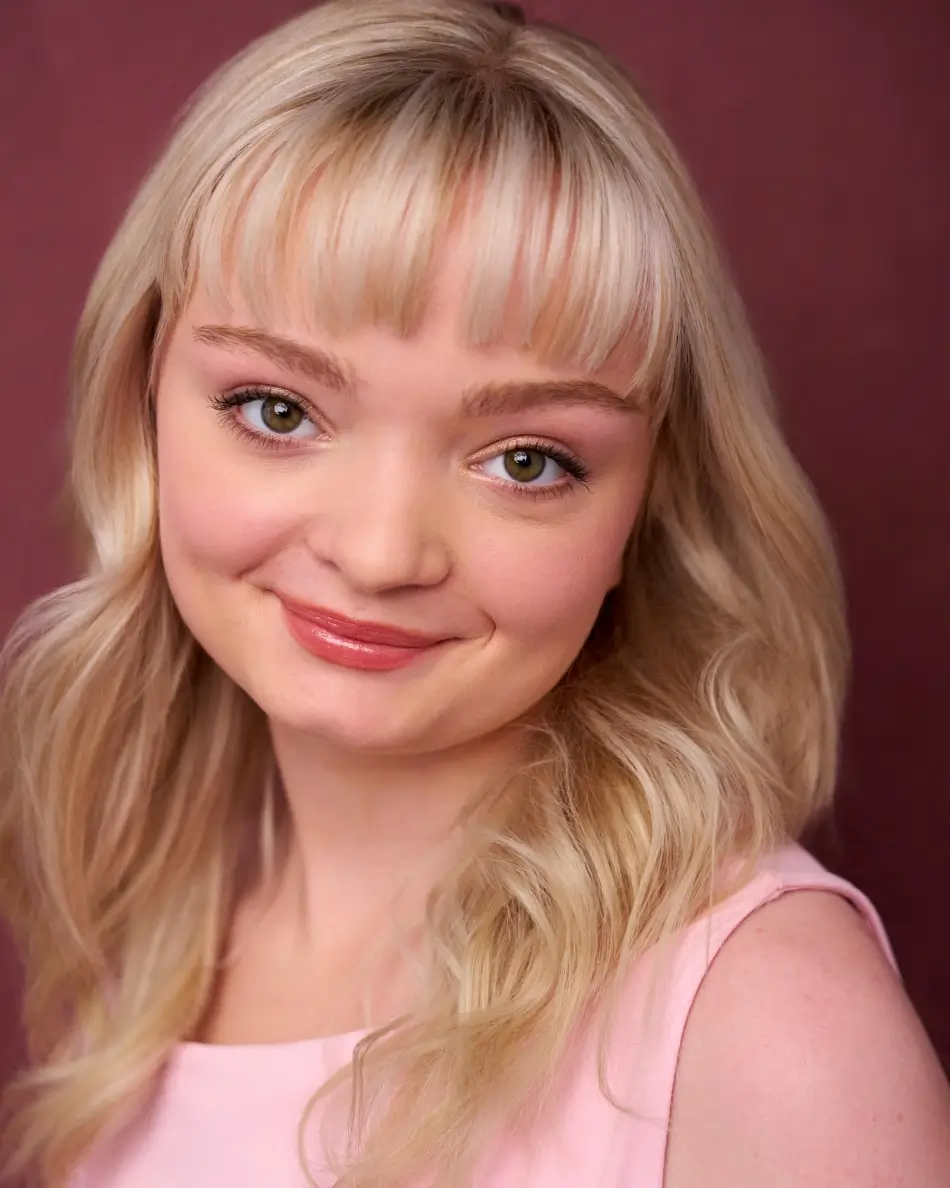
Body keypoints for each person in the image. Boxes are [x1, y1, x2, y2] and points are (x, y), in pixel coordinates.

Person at [1, 1, 949, 1185]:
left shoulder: (767, 1025)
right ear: (140, 402)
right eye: (278, 410)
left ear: (646, 506)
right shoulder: (156, 922)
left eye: (526, 459)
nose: (382, 550)